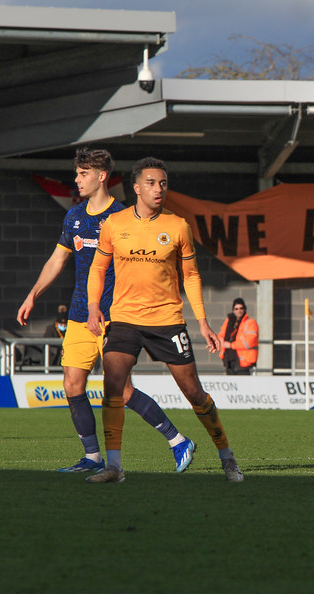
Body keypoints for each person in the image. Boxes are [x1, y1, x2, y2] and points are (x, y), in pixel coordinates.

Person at [16, 148, 195, 474]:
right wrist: (32, 294)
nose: (76, 180)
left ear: (101, 177)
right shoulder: (74, 216)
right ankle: (92, 458)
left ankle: (177, 439)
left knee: (122, 390)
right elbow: (57, 260)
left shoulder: (123, 219)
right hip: (79, 315)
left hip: (116, 317)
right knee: (72, 385)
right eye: (77, 173)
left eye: (82, 174)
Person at [85, 157, 244, 484]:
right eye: (153, 183)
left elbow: (191, 276)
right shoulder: (114, 224)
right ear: (137, 187)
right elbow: (98, 268)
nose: (159, 189)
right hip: (125, 319)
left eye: (164, 183)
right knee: (113, 386)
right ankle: (113, 466)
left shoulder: (177, 226)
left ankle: (227, 456)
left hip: (167, 321)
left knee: (194, 393)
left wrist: (202, 322)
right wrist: (92, 307)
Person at [218, 298, 258, 374]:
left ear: (244, 309)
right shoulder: (229, 321)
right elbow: (221, 335)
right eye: (236, 309)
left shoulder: (250, 322)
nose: (239, 311)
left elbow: (248, 342)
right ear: (233, 310)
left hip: (243, 363)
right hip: (229, 360)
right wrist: (221, 342)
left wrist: (231, 345)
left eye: (241, 308)